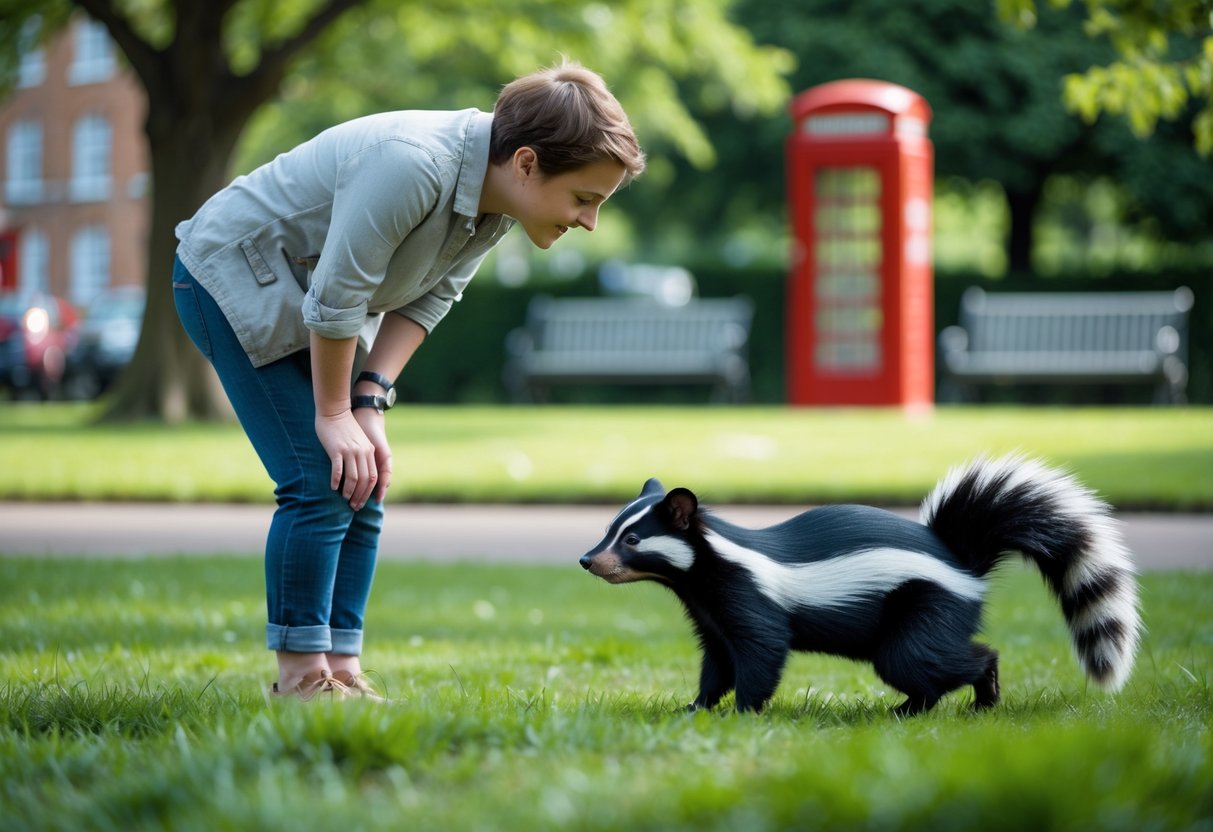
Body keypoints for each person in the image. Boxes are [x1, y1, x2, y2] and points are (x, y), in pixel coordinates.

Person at [172, 61, 645, 701]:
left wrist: (367, 401)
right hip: (229, 278)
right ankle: (301, 680)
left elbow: (425, 302)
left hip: (317, 305)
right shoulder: (413, 164)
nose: (588, 221)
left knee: (361, 481)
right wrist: (333, 415)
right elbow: (338, 297)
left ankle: (341, 672)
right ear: (528, 162)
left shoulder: (498, 198)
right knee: (317, 479)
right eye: (584, 200)